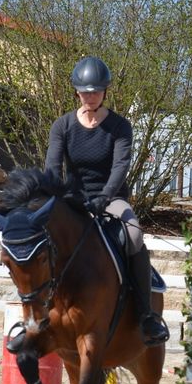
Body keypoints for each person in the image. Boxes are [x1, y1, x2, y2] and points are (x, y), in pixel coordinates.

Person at [45, 56, 169, 346]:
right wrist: (60, 199)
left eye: (96, 92)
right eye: (85, 92)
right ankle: (39, 309)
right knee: (41, 235)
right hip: (73, 199)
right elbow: (52, 168)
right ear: (77, 92)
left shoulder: (119, 127)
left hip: (111, 199)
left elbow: (119, 166)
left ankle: (145, 313)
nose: (90, 96)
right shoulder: (62, 126)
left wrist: (105, 197)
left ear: (105, 92)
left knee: (134, 235)